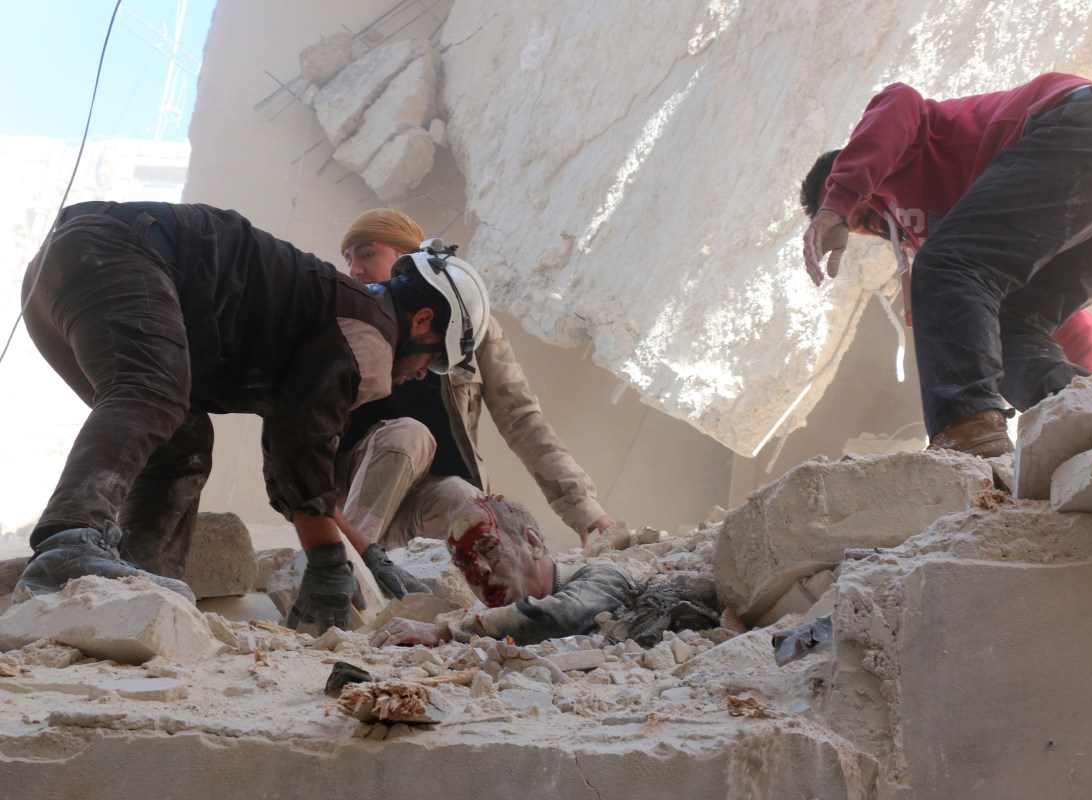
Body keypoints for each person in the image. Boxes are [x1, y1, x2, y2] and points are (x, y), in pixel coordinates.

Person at [14, 200, 485, 635]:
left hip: (60, 276)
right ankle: (71, 541)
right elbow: (303, 445)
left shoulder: (339, 314)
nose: (423, 373)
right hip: (116, 254)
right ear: (422, 321)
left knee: (183, 441)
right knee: (152, 389)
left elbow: (291, 448)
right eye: (433, 359)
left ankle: (135, 585)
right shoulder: (369, 332)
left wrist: (365, 553)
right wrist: (325, 561)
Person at [802, 73, 1092, 456]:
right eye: (856, 225)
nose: (859, 223)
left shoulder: (905, 148)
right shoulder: (968, 241)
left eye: (859, 208)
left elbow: (898, 100)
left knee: (944, 266)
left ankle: (966, 429)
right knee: (1008, 325)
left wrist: (839, 200)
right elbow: (1065, 321)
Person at [336, 209, 614, 553]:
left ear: (408, 258)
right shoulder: (347, 323)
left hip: (424, 505)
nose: (355, 270)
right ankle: (341, 569)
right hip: (354, 494)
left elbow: (521, 417)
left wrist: (581, 506)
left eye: (367, 253)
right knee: (410, 435)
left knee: (472, 505)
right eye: (348, 259)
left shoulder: (470, 327)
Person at [369, 494, 634, 647]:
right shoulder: (483, 628)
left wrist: (445, 631)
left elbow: (562, 615)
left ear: (532, 543)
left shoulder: (604, 576)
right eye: (463, 563)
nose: (478, 572)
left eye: (488, 547)